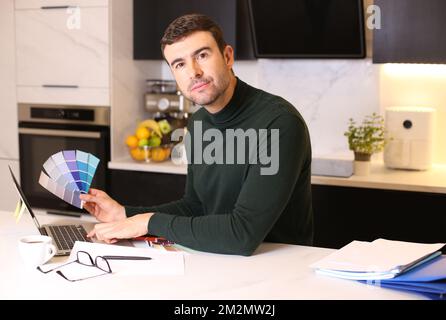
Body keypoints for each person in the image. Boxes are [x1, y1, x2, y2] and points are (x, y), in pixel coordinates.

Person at [80, 13, 313, 256]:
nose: (193, 72)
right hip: (219, 261)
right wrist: (125, 214)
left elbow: (243, 234)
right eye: (179, 64)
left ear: (227, 56)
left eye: (202, 55)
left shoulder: (278, 123)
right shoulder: (199, 122)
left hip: (279, 270)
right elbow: (196, 206)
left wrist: (146, 222)